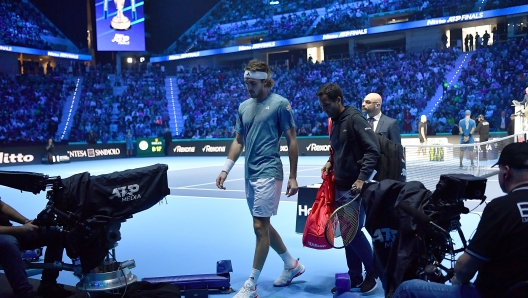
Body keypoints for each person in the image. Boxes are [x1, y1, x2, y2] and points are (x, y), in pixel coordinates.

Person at [392, 142, 528, 298]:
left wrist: (458, 279)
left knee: (407, 289)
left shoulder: (500, 208)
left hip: (496, 294)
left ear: (506, 172)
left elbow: (464, 269)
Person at [215, 59, 303, 298]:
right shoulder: (243, 107)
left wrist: (293, 176)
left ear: (264, 80)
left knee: (258, 227)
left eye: (252, 83)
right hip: (249, 173)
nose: (248, 87)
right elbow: (238, 141)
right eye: (246, 83)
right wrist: (225, 169)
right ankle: (292, 265)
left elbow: (292, 140)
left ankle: (251, 284)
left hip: (269, 170)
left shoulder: (280, 104)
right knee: (262, 226)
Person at [317, 83, 381, 294]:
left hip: (354, 188)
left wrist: (362, 179)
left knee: (352, 231)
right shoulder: (334, 122)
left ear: (338, 100)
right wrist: (330, 162)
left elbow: (373, 150)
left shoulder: (354, 118)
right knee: (347, 234)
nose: (324, 109)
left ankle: (374, 270)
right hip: (340, 184)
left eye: (327, 105)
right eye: (322, 105)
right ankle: (355, 276)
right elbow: (338, 150)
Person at [0, 198, 73, 298]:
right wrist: (20, 229)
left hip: (9, 232)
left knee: (55, 233)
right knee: (8, 243)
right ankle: (24, 293)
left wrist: (26, 221)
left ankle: (48, 285)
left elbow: (2, 206)